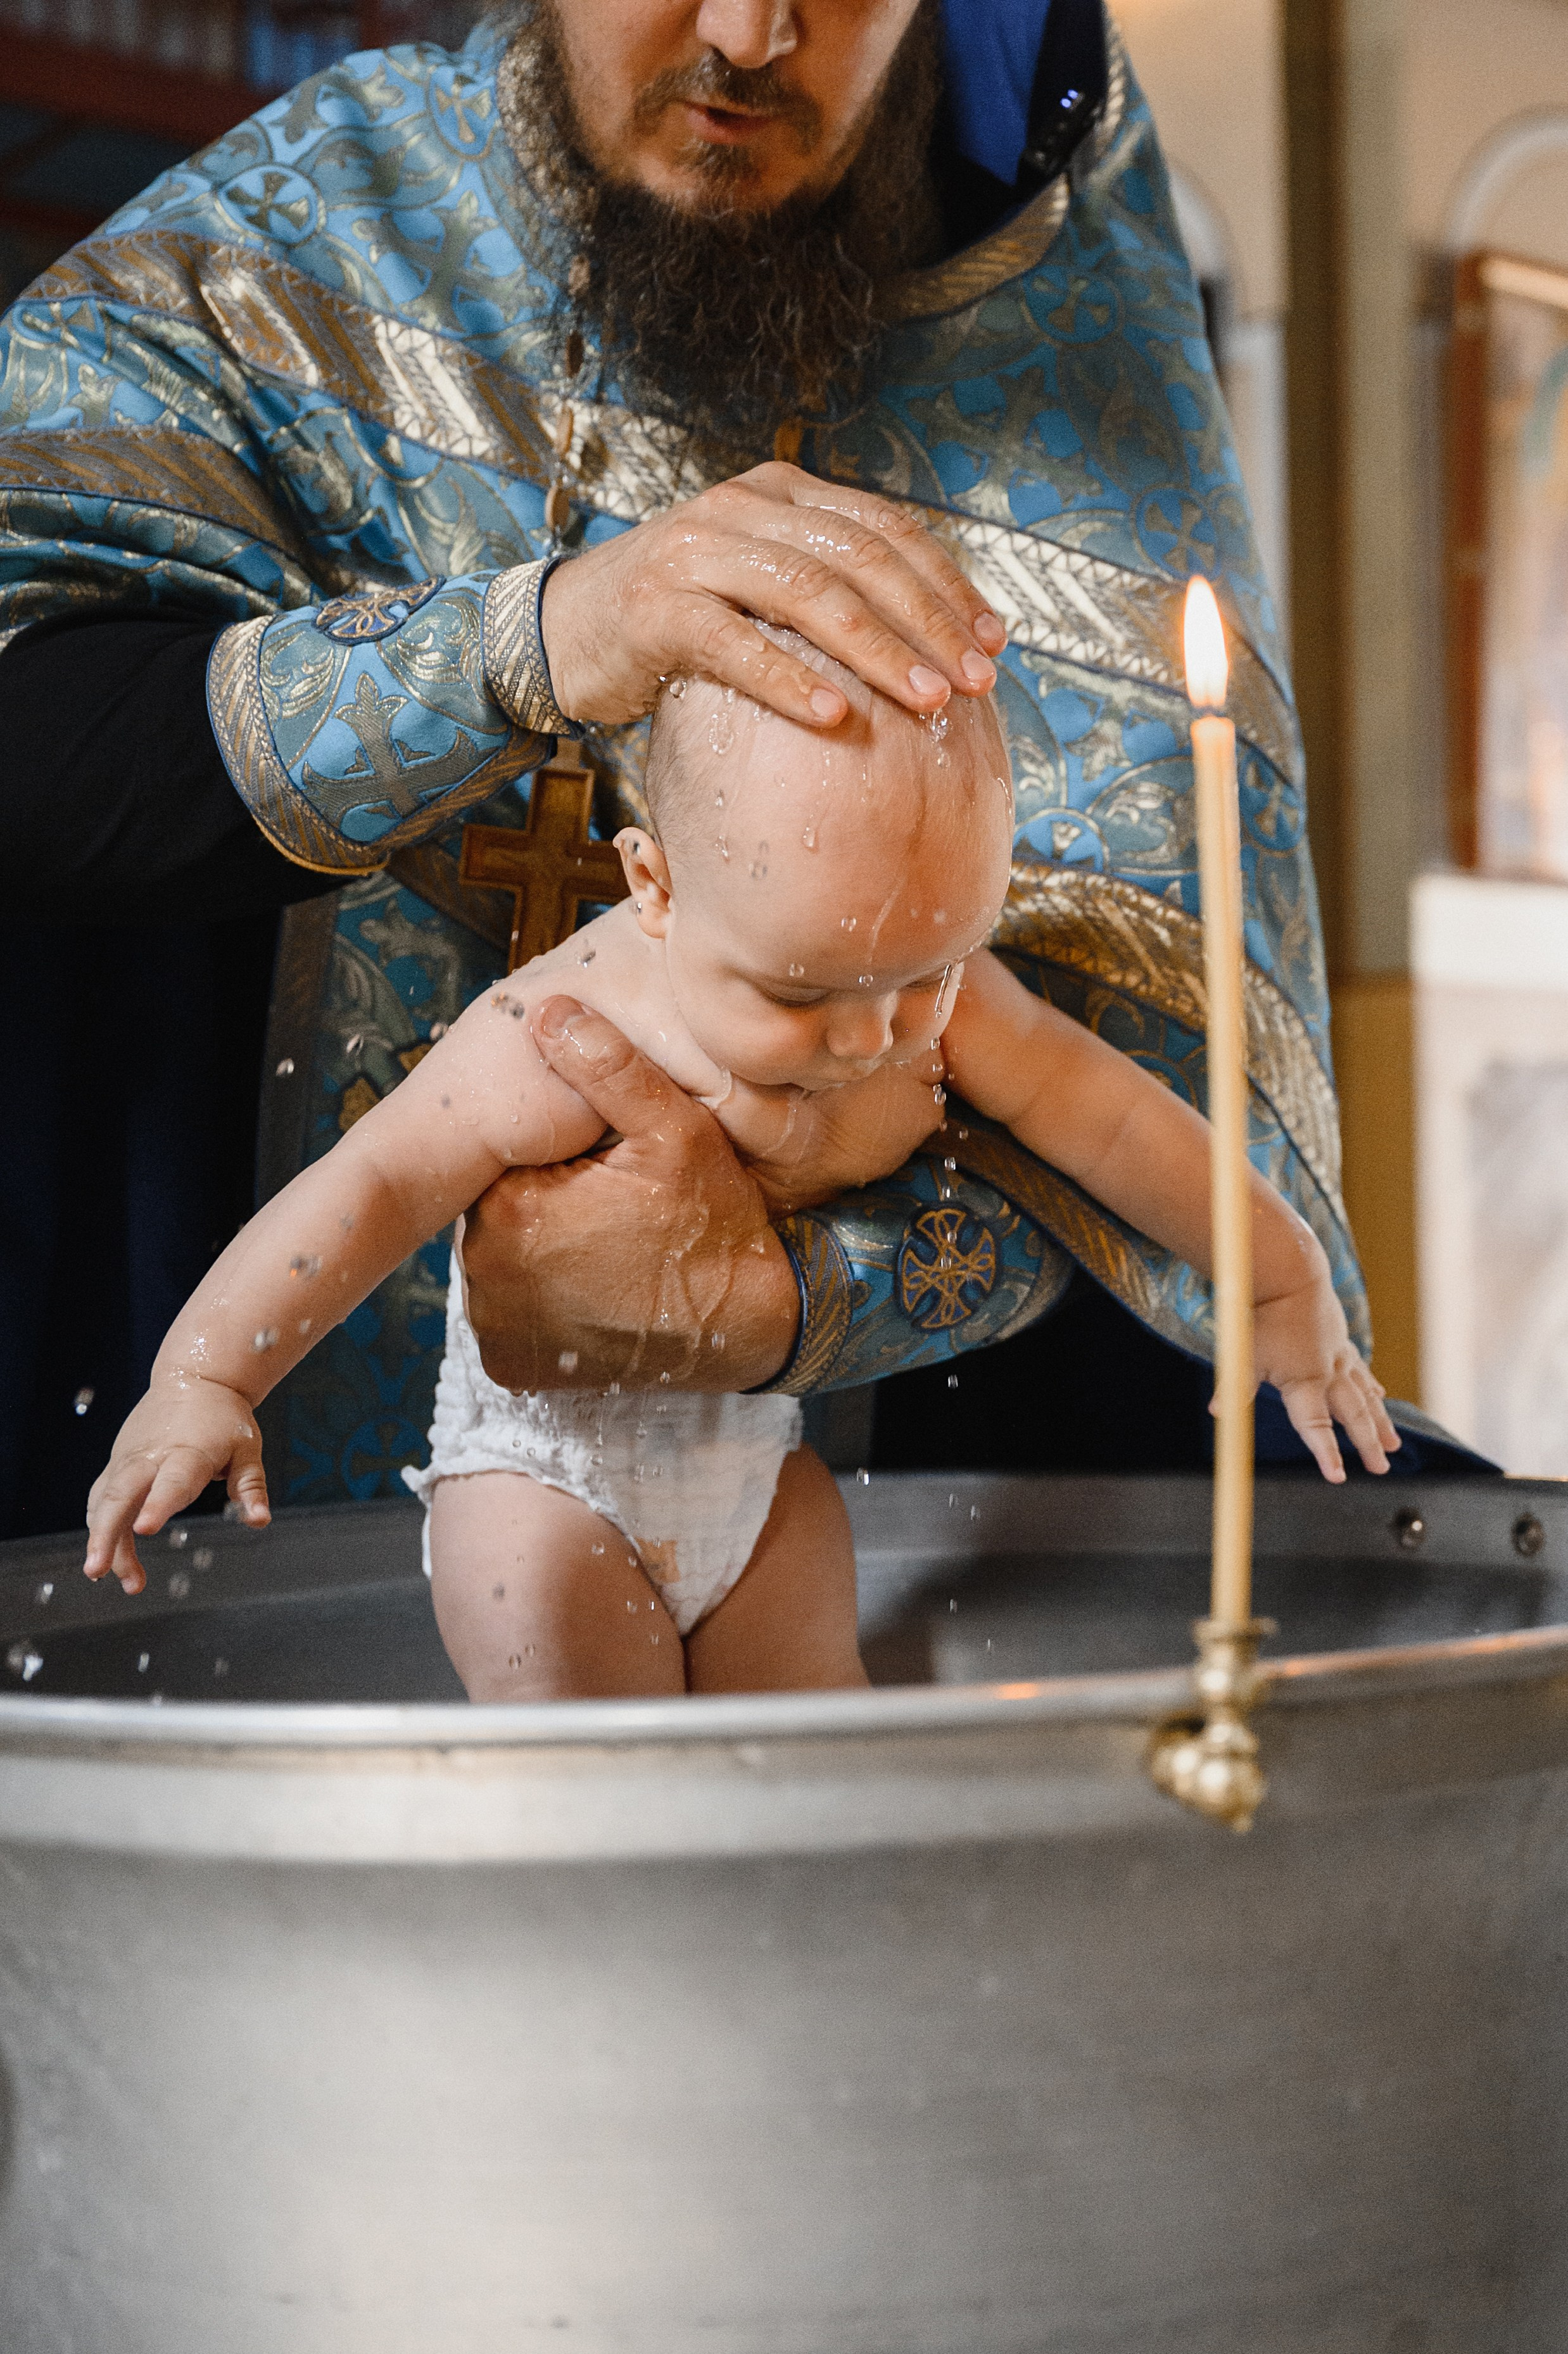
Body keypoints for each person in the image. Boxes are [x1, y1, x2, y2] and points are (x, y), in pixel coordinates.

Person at [1, 0, 1456, 1545]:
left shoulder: (1074, 365)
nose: (752, 33)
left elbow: (1150, 1096)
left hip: (825, 1498)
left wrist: (794, 1295)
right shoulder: (305, 230)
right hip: (246, 1477)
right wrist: (531, 644)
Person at [85, 649, 1398, 1701]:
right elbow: (371, 1185)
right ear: (653, 885)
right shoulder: (565, 1029)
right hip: (541, 1485)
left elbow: (1108, 1122)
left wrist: (1281, 1286)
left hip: (758, 1478)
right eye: (799, 993)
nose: (869, 1037)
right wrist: (206, 1377)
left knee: (798, 1761)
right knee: (599, 1786)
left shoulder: (922, 991)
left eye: (923, 977)